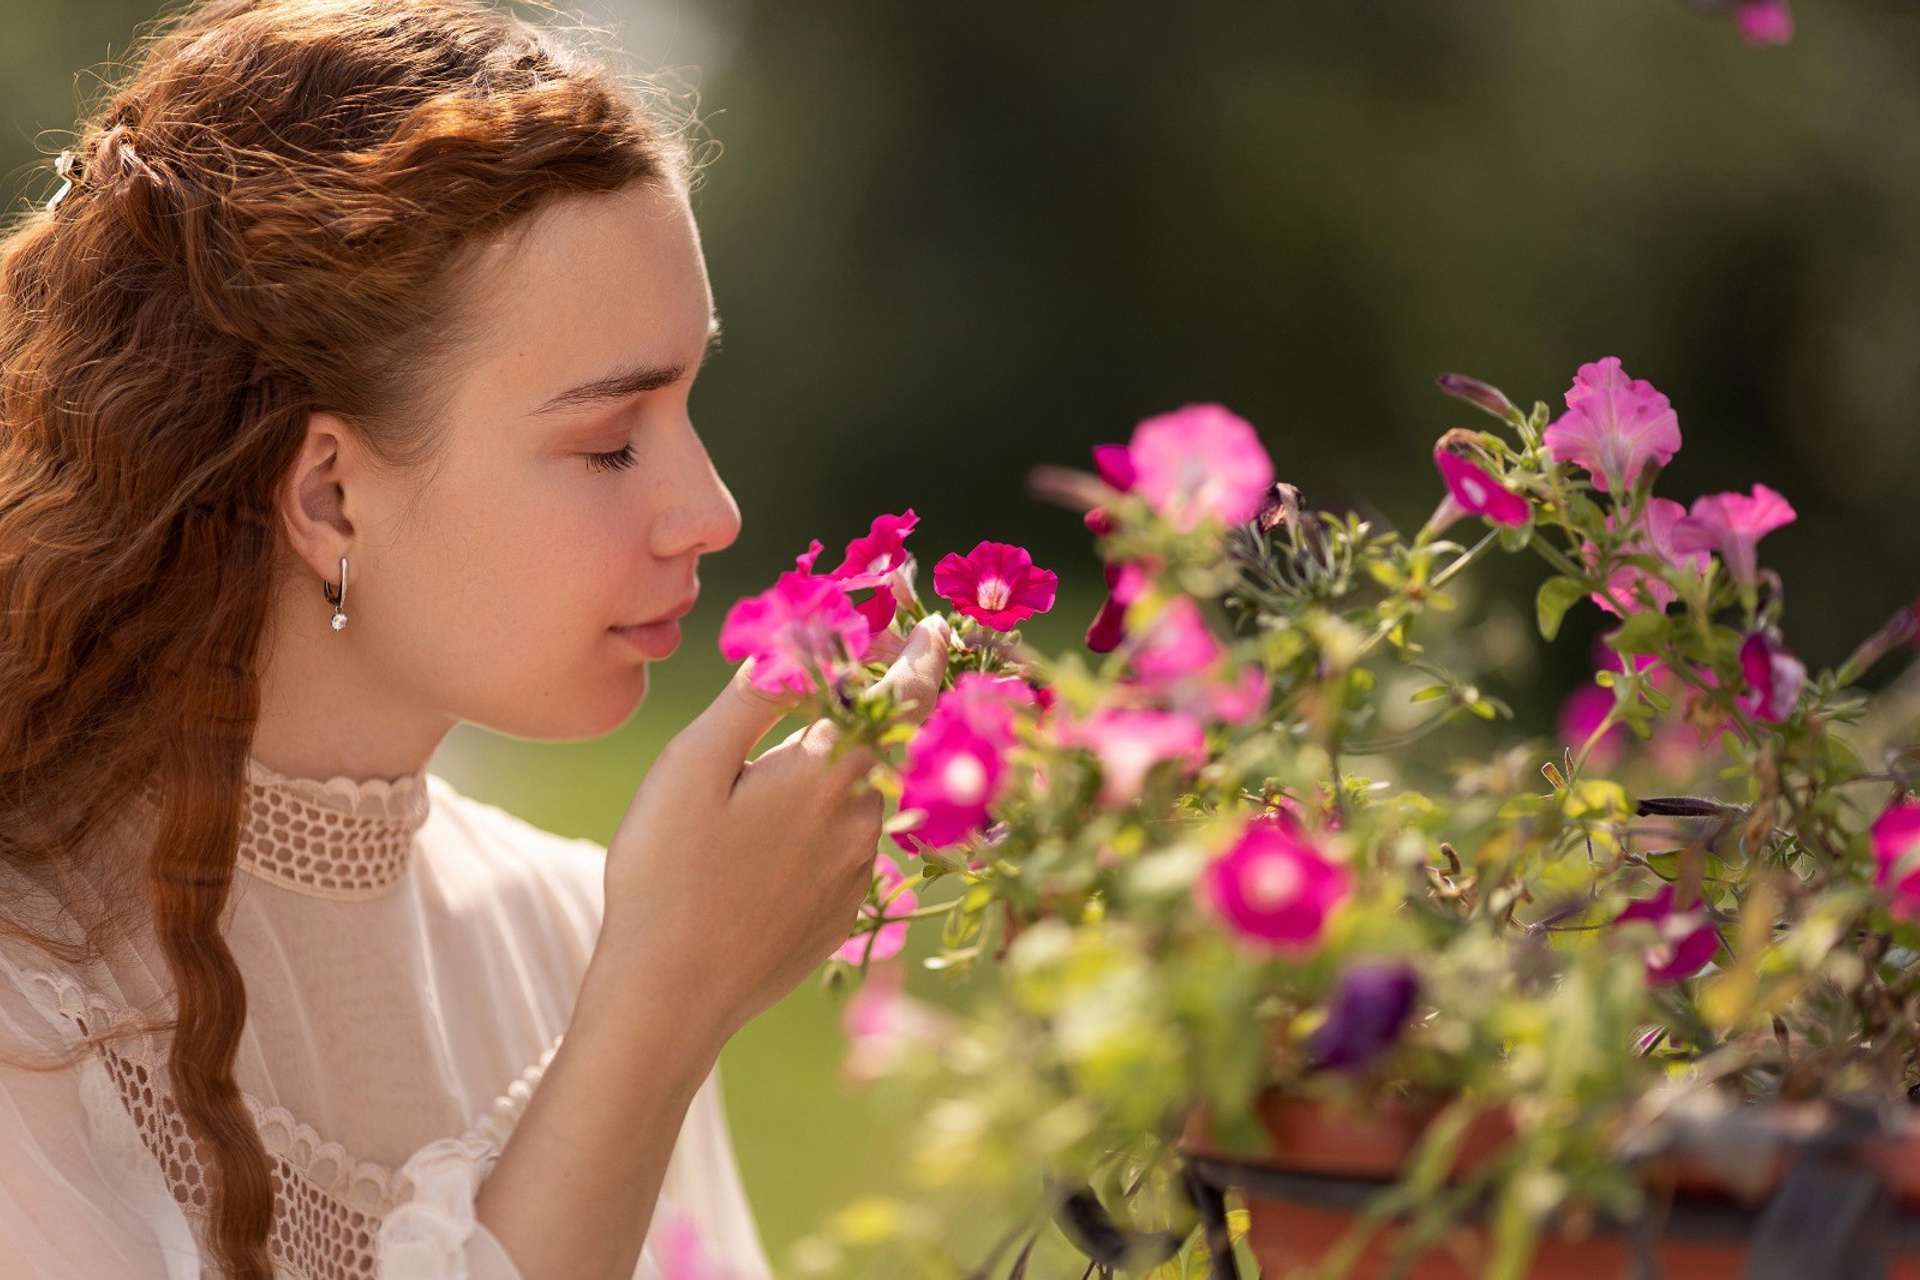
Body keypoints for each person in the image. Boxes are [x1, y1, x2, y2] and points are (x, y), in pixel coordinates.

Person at [0, 1, 952, 1277]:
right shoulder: (31, 1005)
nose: (713, 512)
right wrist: (658, 1013)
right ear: (329, 495)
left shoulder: (576, 924)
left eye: (691, 403)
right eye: (612, 439)